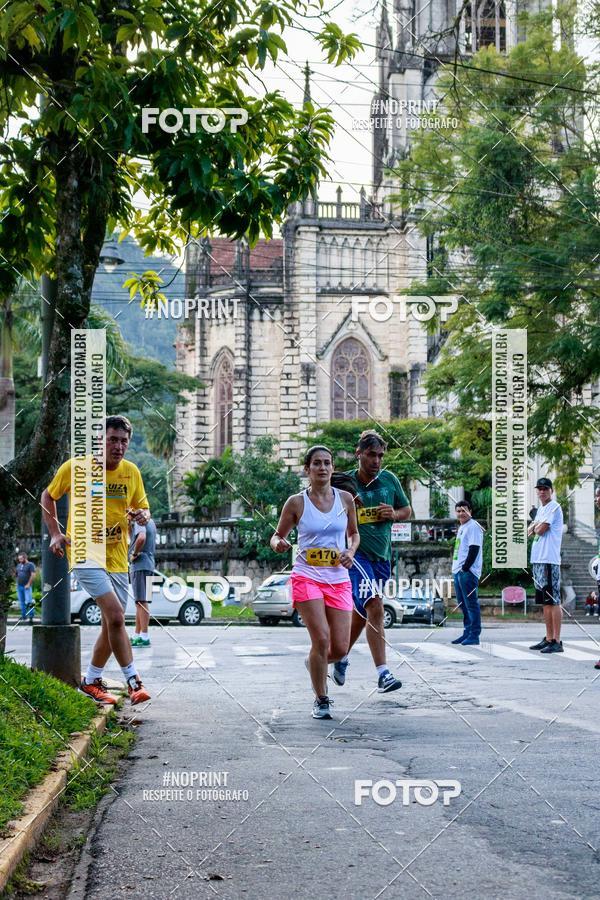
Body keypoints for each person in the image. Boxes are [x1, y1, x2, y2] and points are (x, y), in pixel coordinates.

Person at [41, 415, 151, 704]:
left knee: (110, 624)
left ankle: (91, 681)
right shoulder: (76, 468)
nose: (118, 446)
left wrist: (143, 515)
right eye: (112, 440)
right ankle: (134, 682)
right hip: (84, 552)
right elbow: (48, 496)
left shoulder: (131, 472)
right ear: (100, 441)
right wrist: (55, 533)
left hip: (117, 557)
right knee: (116, 616)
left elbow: (142, 507)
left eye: (123, 441)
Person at [270, 445, 359, 719]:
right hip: (307, 576)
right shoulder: (296, 503)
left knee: (340, 648)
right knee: (321, 638)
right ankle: (321, 699)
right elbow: (276, 535)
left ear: (333, 468)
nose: (322, 468)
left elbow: (354, 534)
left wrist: (350, 551)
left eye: (327, 463)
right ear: (307, 469)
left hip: (338, 578)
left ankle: (314, 663)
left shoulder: (345, 499)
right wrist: (278, 544)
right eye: (317, 463)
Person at [332, 430, 412, 693]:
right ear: (359, 454)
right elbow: (323, 506)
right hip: (357, 556)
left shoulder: (389, 480)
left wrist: (394, 514)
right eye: (371, 455)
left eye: (380, 456)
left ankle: (341, 656)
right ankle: (383, 673)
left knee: (362, 612)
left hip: (382, 558)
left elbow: (407, 510)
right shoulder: (345, 483)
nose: (376, 461)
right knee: (375, 605)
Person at [528, 477, 564, 654]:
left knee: (553, 600)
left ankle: (557, 640)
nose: (542, 491)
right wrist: (535, 525)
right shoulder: (542, 509)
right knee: (545, 601)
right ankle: (549, 638)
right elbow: (529, 531)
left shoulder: (554, 507)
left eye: (545, 489)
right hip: (538, 559)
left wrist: (535, 525)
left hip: (549, 559)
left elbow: (539, 530)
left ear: (551, 490)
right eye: (539, 489)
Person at [450, 500, 484, 645]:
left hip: (468, 572)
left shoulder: (473, 526)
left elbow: (474, 548)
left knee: (471, 604)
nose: (461, 513)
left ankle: (474, 635)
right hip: (458, 571)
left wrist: (465, 568)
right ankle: (467, 632)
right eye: (458, 511)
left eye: (464, 510)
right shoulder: (463, 527)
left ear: (470, 511)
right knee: (463, 604)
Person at [129, 515, 156, 647]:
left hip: (140, 565)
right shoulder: (151, 522)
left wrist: (134, 554)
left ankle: (144, 636)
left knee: (141, 602)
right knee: (140, 602)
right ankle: (138, 634)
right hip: (149, 564)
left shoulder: (139, 521)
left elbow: (141, 538)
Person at [15, 552, 36, 624]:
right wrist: (16, 582)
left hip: (26, 586)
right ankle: (23, 616)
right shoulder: (19, 565)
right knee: (22, 602)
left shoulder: (30, 565)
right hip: (19, 586)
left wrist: (28, 584)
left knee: (29, 601)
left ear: (25, 558)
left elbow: (33, 575)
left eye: (21, 559)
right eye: (19, 559)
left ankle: (31, 616)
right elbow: (17, 575)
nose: (20, 560)